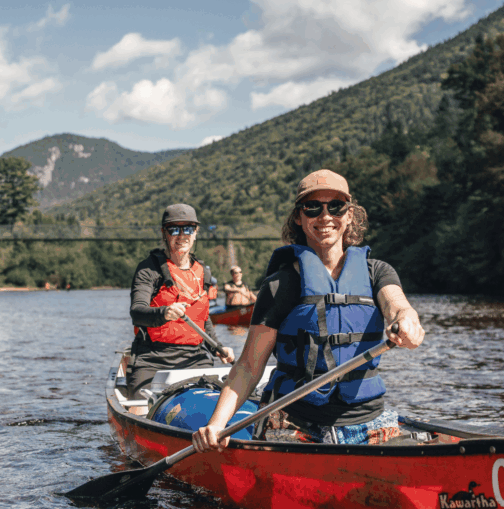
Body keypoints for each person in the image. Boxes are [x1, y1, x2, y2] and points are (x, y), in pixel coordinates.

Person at [191, 169, 424, 449]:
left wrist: (407, 324)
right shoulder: (280, 285)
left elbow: (399, 307)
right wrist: (217, 425)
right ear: (299, 218)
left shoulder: (377, 272)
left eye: (336, 207)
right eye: (313, 208)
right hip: (294, 421)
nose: (325, 216)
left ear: (349, 215)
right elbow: (249, 366)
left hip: (366, 420)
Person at [128, 203, 235, 414]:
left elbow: (203, 318)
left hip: (195, 359)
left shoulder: (202, 271)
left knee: (212, 412)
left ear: (196, 232)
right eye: (174, 229)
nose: (181, 235)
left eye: (188, 229)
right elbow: (137, 312)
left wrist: (217, 347)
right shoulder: (148, 269)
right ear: (164, 233)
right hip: (153, 359)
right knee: (139, 413)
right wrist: (164, 312)